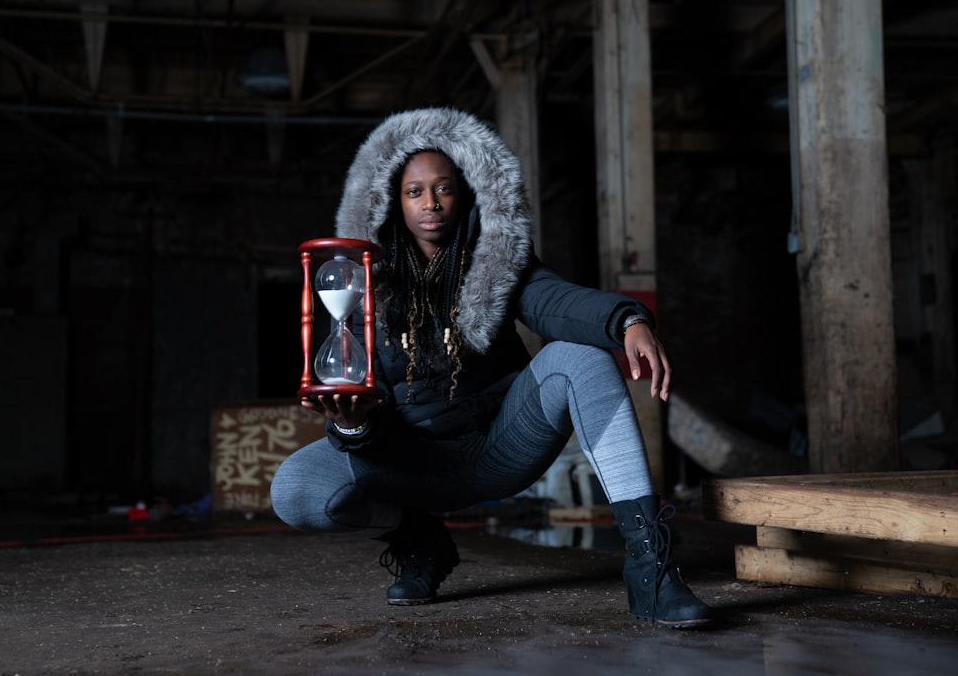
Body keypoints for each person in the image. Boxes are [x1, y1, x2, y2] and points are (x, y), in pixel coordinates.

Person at [271, 107, 710, 628]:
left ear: (466, 193)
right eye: (415, 191)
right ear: (391, 198)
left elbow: (555, 303)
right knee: (295, 489)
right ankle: (419, 539)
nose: (430, 203)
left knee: (578, 356)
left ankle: (650, 566)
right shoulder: (360, 285)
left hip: (497, 448)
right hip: (410, 465)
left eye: (444, 188)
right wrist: (352, 423)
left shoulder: (498, 260)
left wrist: (626, 320)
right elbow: (361, 402)